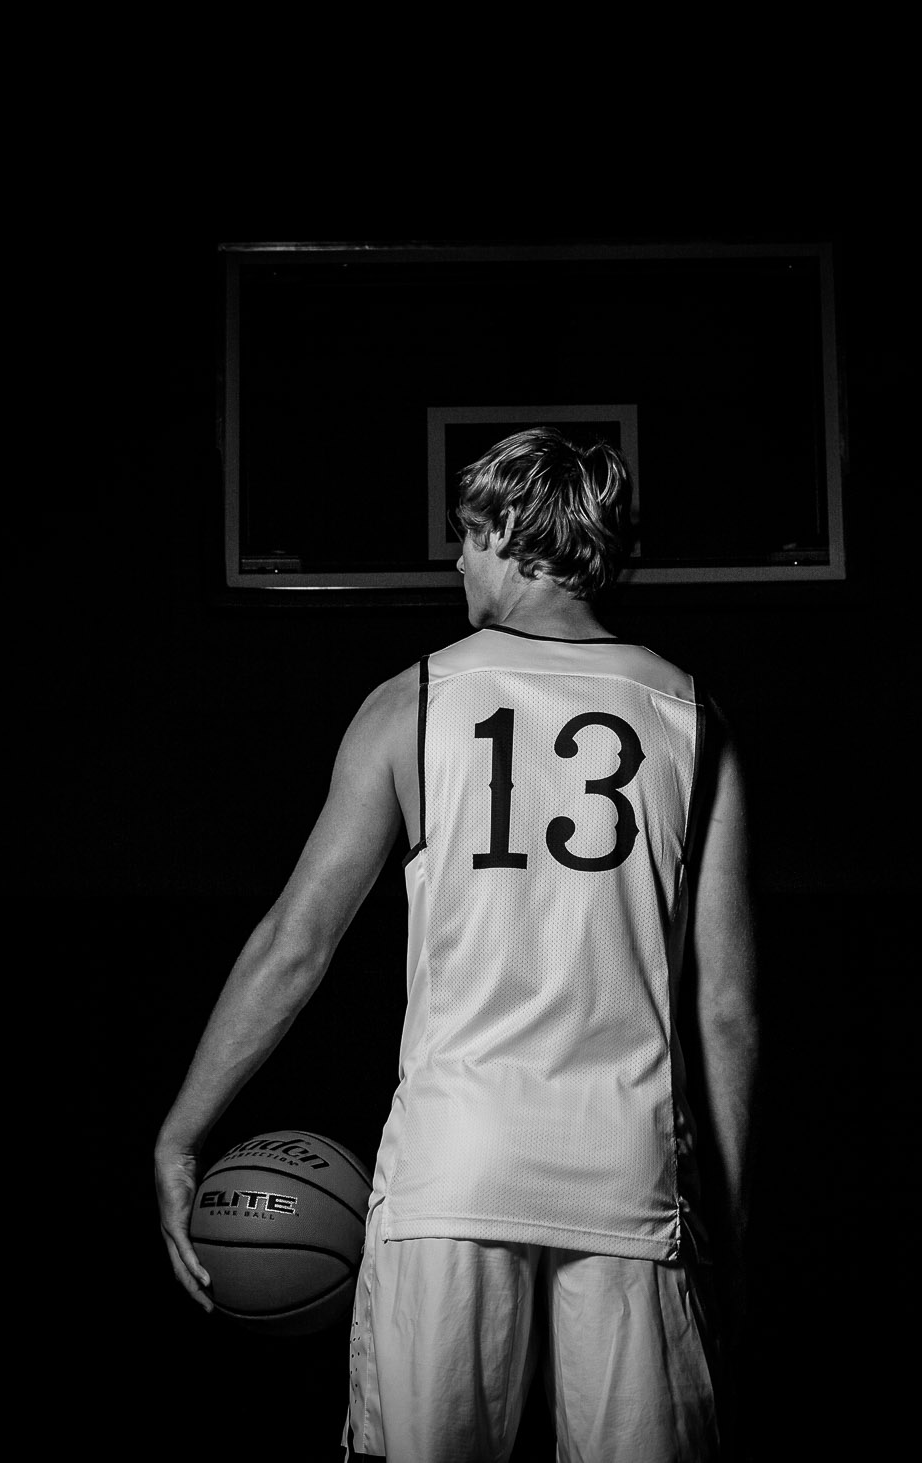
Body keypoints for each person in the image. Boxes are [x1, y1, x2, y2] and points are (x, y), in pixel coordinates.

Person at [153, 428, 758, 1461]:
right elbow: (726, 1008)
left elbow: (297, 942)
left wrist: (179, 1130)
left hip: (455, 1159)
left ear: (518, 535)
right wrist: (726, 1221)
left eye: (469, 535)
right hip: (626, 1166)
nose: (457, 559)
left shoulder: (411, 699)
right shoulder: (690, 714)